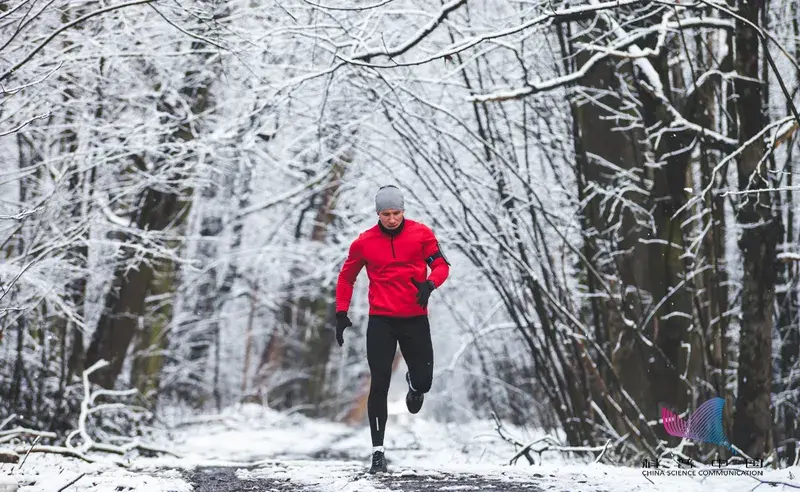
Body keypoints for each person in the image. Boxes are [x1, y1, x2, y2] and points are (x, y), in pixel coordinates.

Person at [334, 185, 450, 474]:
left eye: (396, 213)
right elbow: (346, 278)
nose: (392, 219)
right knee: (380, 383)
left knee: (424, 382)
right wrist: (340, 311)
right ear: (378, 214)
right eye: (386, 214)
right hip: (381, 321)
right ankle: (378, 453)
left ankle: (415, 385)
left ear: (403, 211)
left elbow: (441, 266)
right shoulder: (364, 243)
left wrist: (430, 284)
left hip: (414, 318)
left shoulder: (421, 234)